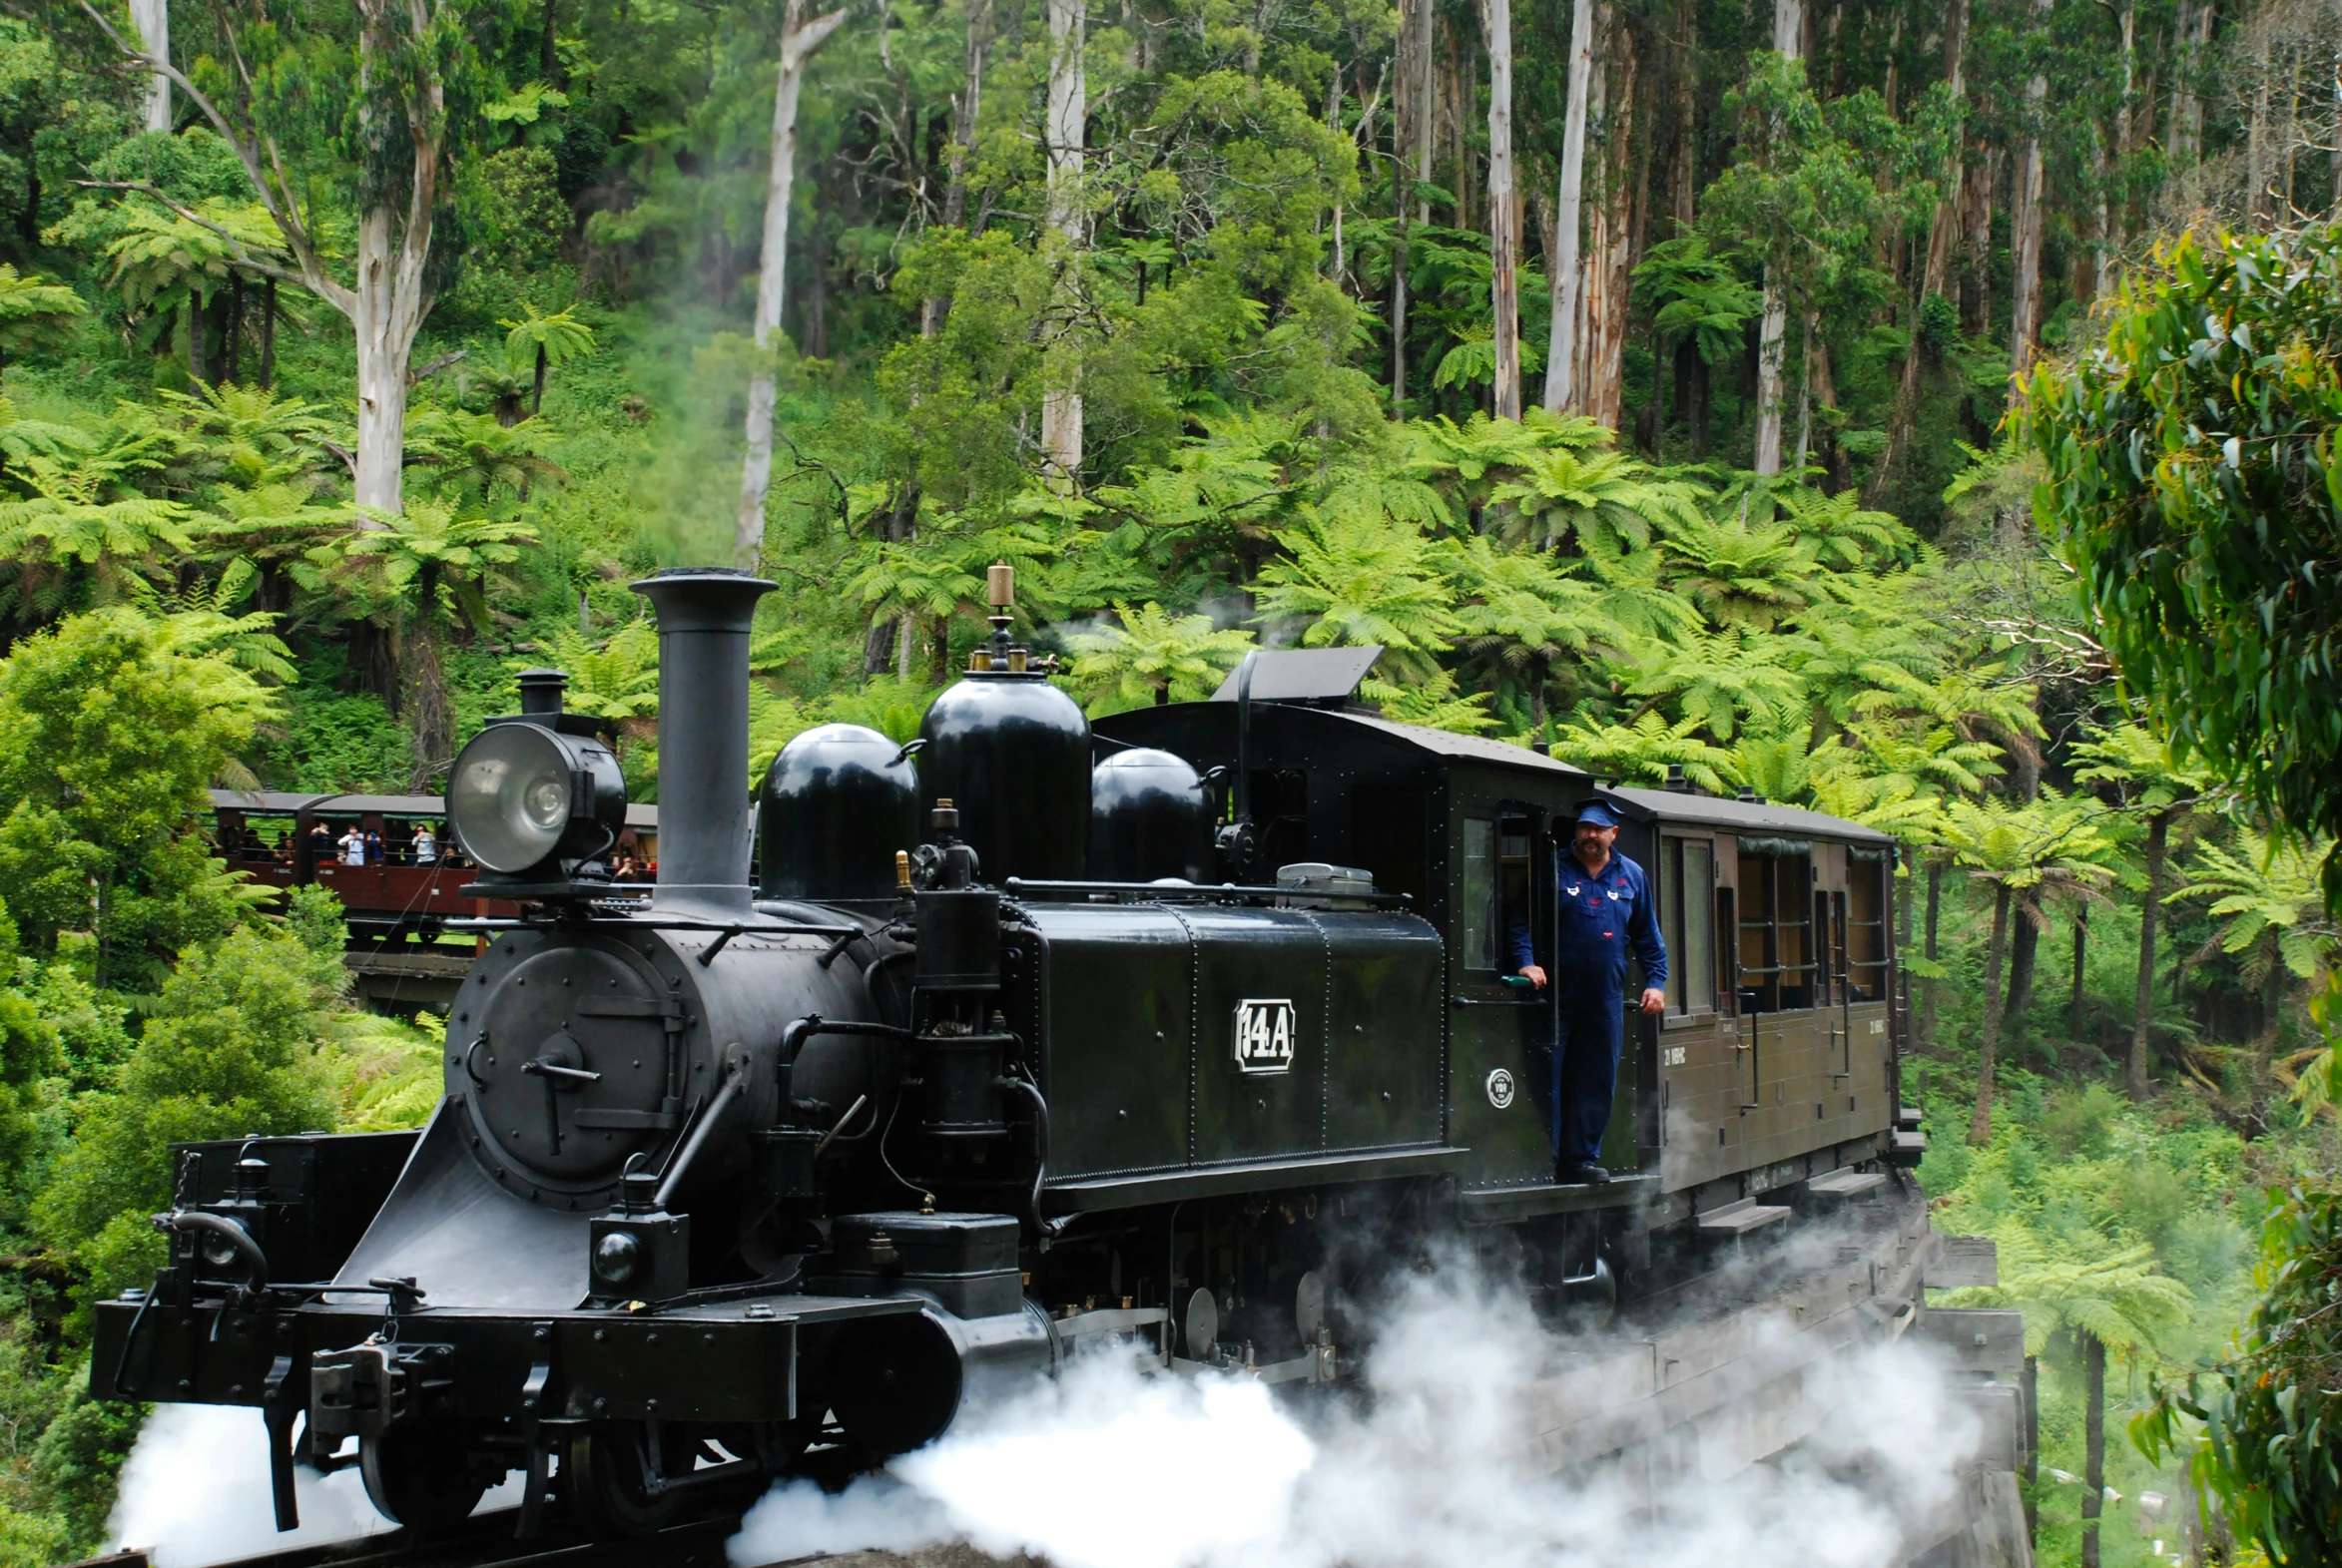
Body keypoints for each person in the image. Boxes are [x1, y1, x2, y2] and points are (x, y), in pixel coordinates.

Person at [1507, 800, 1667, 1186]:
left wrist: (1656, 982)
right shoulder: (1550, 868)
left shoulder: (1632, 876)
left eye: (1599, 829)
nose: (1590, 835)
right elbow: (1518, 920)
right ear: (1576, 831)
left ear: (1614, 833)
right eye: (1584, 828)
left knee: (1596, 1077)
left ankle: (1580, 1158)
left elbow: (1647, 935)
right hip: (1557, 993)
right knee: (1551, 1073)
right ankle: (1544, 1155)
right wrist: (1526, 962)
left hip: (1606, 994)